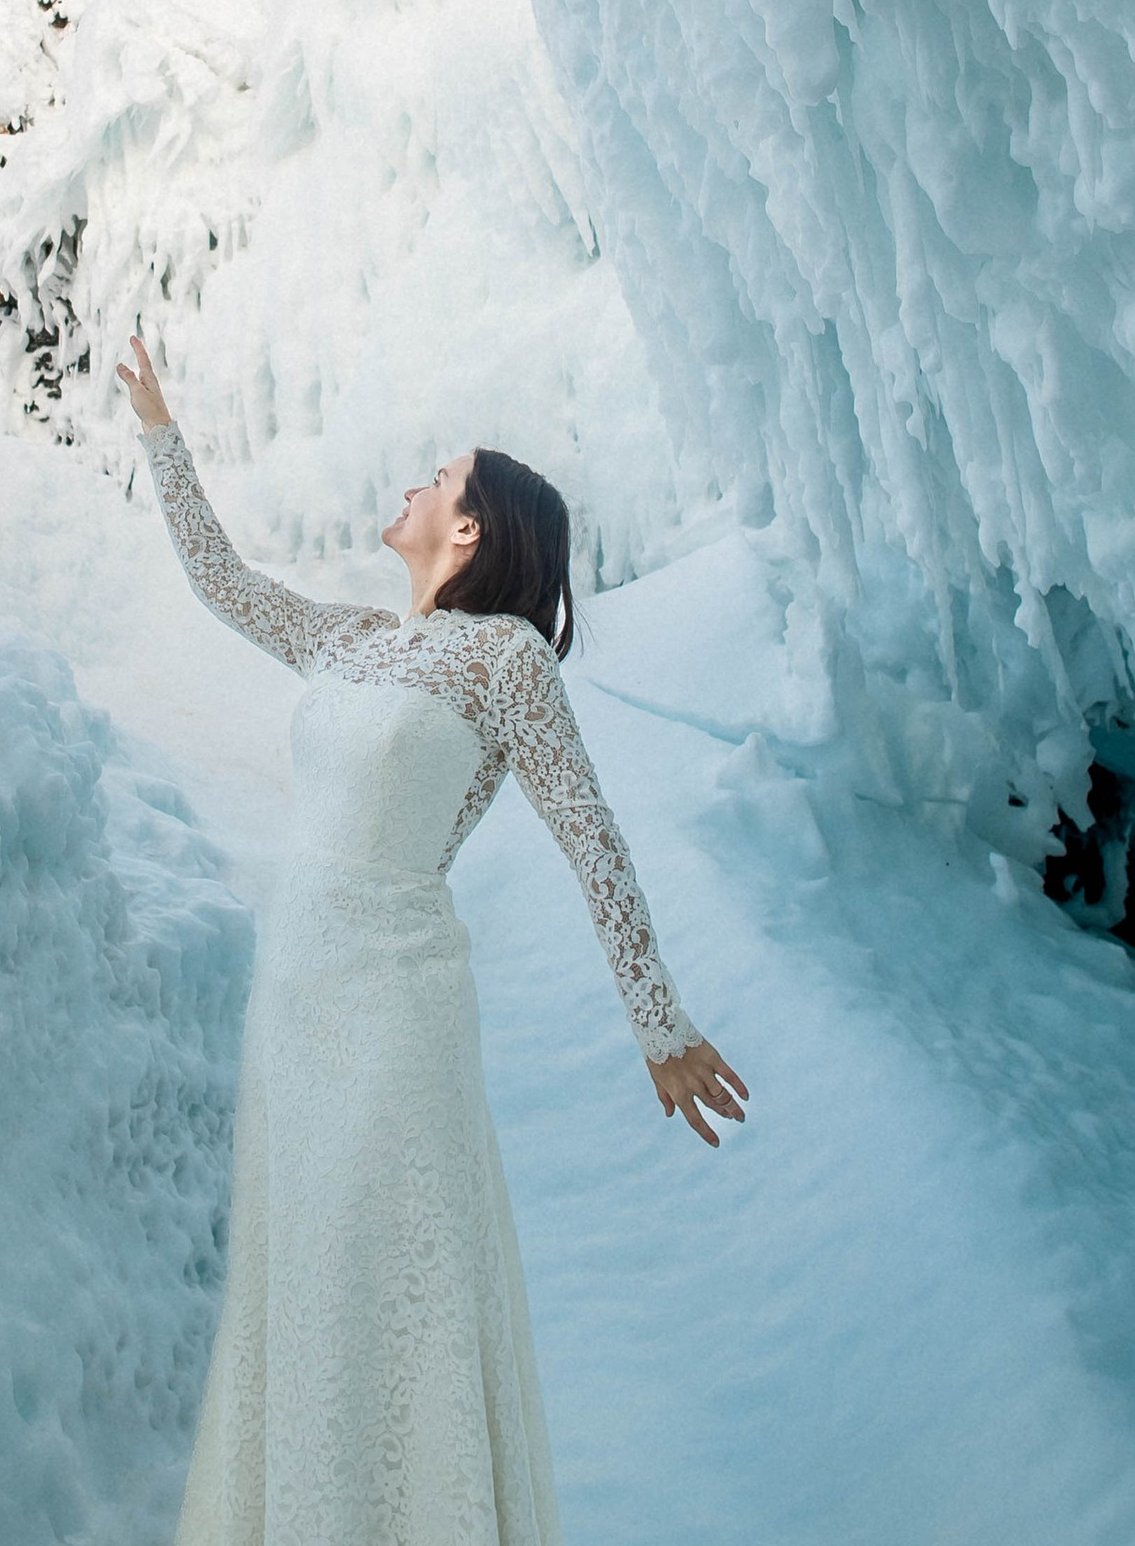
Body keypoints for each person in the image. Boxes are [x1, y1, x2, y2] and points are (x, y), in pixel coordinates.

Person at [117, 335, 743, 1546]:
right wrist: (160, 433)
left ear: (469, 531)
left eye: (435, 477)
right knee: (299, 1292)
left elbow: (591, 836)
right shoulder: (352, 639)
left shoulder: (503, 657)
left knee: (382, 1287)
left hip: (394, 1008)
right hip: (292, 1009)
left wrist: (658, 1023)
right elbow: (223, 582)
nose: (409, 488)